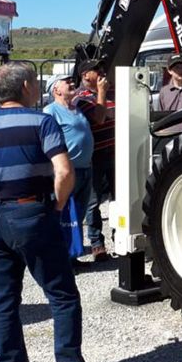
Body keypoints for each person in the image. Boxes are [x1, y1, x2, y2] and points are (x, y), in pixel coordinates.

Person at [0, 62, 110, 362]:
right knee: (62, 294)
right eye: (34, 83)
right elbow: (65, 172)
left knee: (4, 300)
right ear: (25, 86)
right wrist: (54, 205)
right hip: (33, 213)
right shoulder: (42, 121)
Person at [43, 75, 94, 260]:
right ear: (56, 90)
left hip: (85, 169)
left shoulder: (76, 108)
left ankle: (72, 256)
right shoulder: (51, 111)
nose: (72, 83)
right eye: (67, 82)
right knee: (64, 216)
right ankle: (61, 259)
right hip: (67, 172)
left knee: (77, 216)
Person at [75, 60, 113, 260]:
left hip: (116, 152)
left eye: (101, 68)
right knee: (93, 202)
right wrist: (102, 92)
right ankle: (97, 243)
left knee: (120, 197)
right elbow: (99, 118)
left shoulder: (109, 91)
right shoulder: (81, 98)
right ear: (84, 76)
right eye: (95, 70)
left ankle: (120, 237)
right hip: (95, 156)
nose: (100, 71)